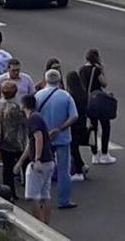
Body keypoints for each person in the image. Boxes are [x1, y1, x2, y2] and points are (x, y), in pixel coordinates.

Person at [34, 69, 79, 210]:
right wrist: (60, 128)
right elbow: (74, 116)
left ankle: (41, 198)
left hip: (43, 138)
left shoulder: (38, 96)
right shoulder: (65, 96)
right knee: (64, 170)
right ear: (59, 80)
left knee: (42, 168)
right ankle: (64, 200)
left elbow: (33, 116)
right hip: (62, 138)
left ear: (45, 80)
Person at [19, 94, 56, 225]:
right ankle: (46, 225)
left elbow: (38, 137)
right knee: (45, 196)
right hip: (49, 160)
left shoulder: (32, 119)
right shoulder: (38, 116)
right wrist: (21, 161)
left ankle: (39, 226)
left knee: (31, 197)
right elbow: (31, 143)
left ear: (23, 105)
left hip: (40, 162)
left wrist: (37, 159)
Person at [0, 80, 27, 200]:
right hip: (15, 141)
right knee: (22, 163)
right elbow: (23, 123)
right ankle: (25, 187)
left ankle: (9, 191)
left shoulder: (0, 104)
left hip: (3, 140)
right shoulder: (15, 108)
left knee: (7, 169)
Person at [79, 48, 116, 165]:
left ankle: (94, 155)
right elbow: (104, 83)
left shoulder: (82, 70)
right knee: (105, 126)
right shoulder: (96, 70)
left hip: (88, 101)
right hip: (99, 100)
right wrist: (103, 70)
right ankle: (104, 154)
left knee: (93, 128)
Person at [64, 70, 90, 181]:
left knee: (73, 148)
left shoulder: (71, 96)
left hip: (73, 124)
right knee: (75, 147)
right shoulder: (83, 93)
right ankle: (81, 165)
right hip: (82, 123)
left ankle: (79, 170)